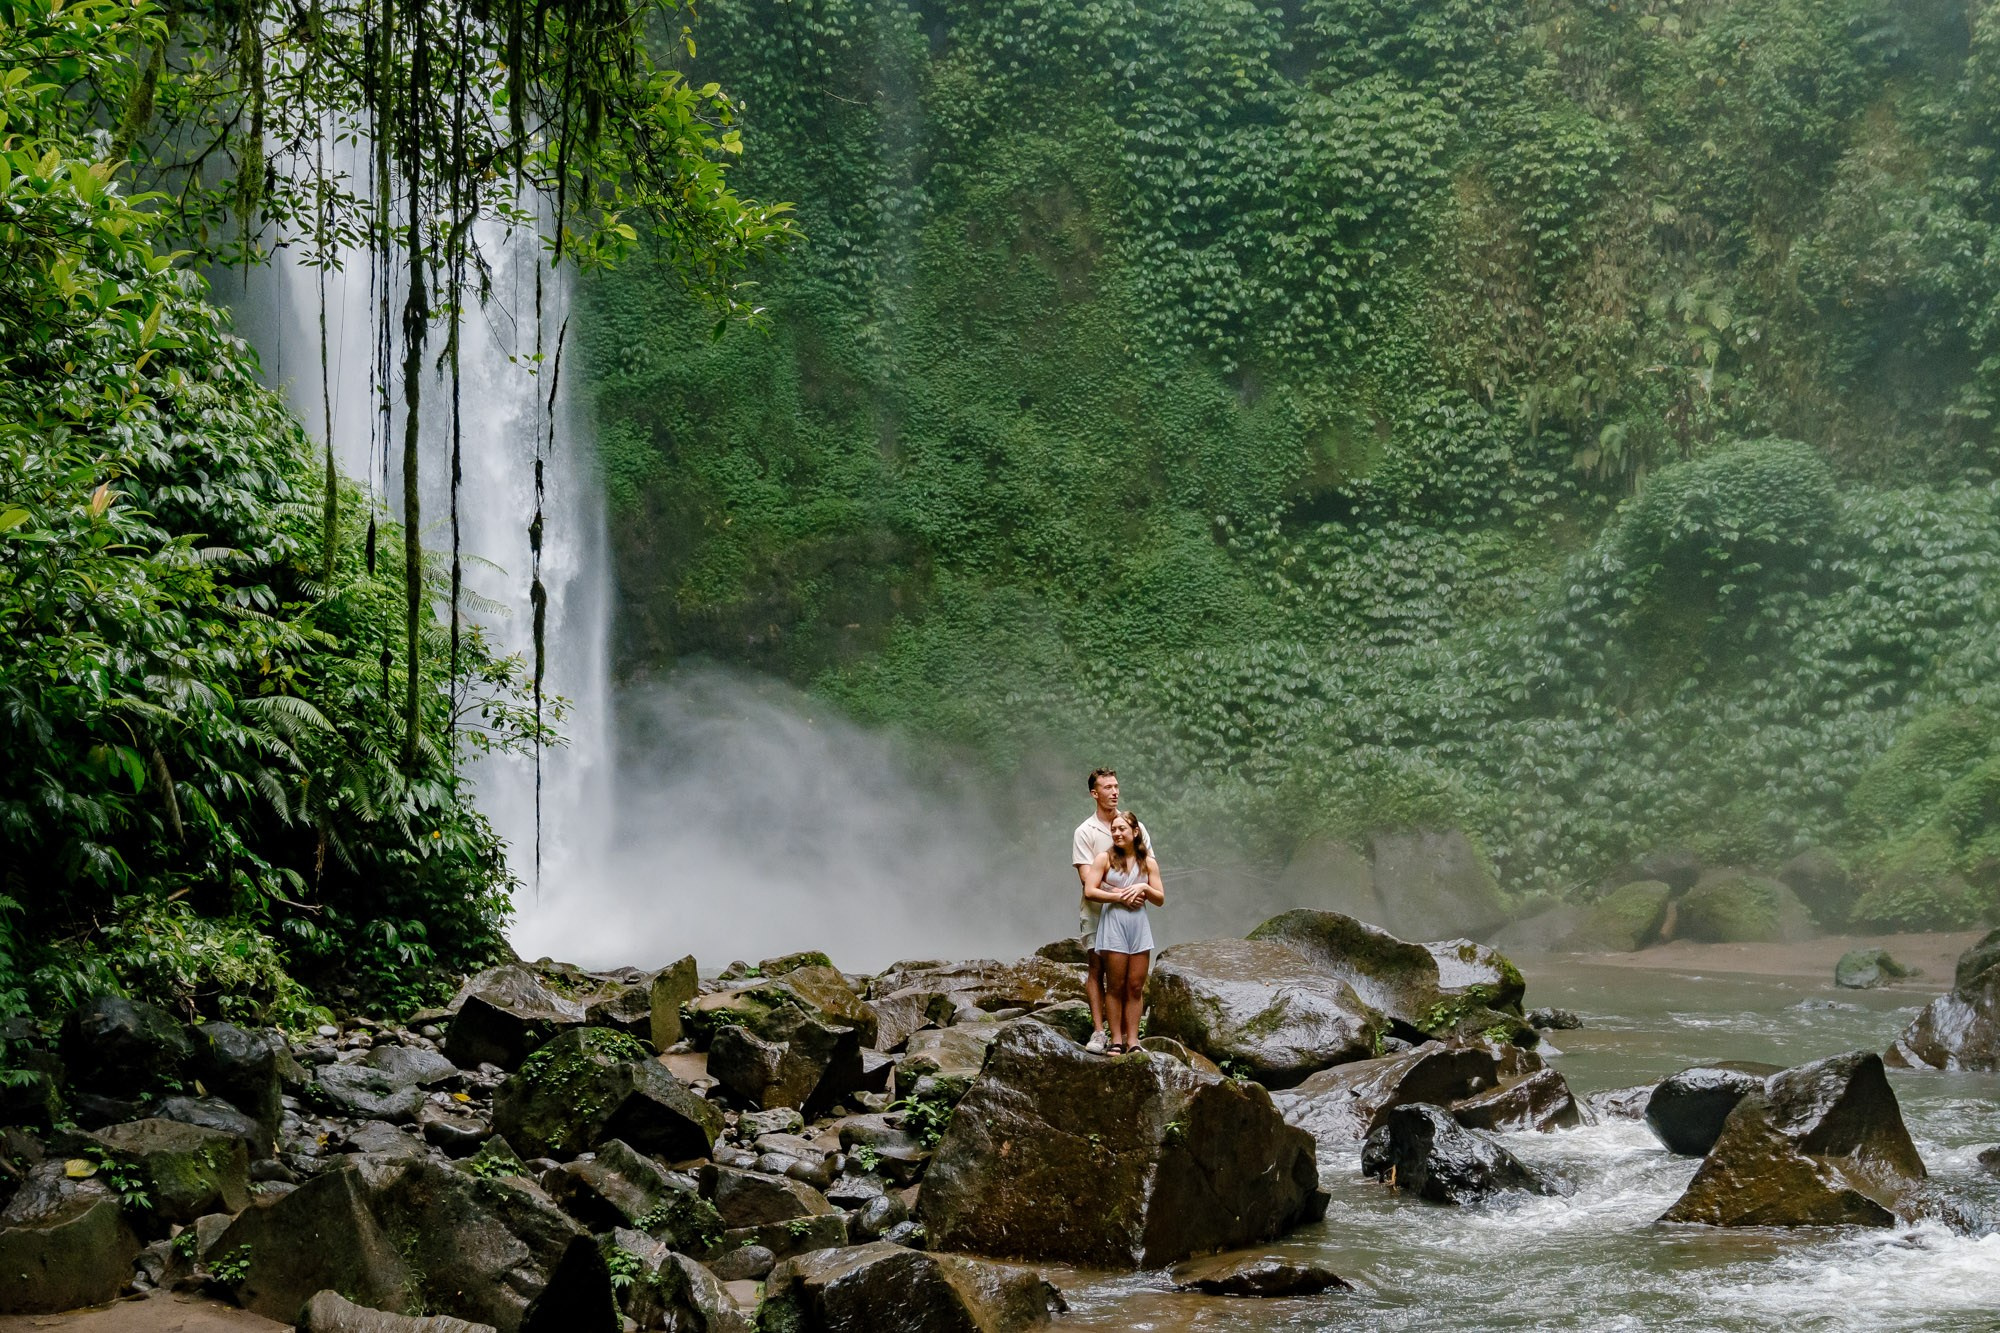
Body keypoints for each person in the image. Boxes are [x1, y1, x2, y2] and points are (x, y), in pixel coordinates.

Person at [1072, 769, 1155, 1053]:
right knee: (1097, 967)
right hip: (1097, 909)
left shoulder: (1134, 825)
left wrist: (1139, 891)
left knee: (1130, 980)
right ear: (1095, 793)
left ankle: (1128, 1037)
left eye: (1116, 786)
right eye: (1107, 787)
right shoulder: (1085, 831)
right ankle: (1100, 1032)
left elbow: (1146, 865)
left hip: (1130, 912)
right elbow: (1087, 879)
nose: (1114, 791)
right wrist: (1121, 895)